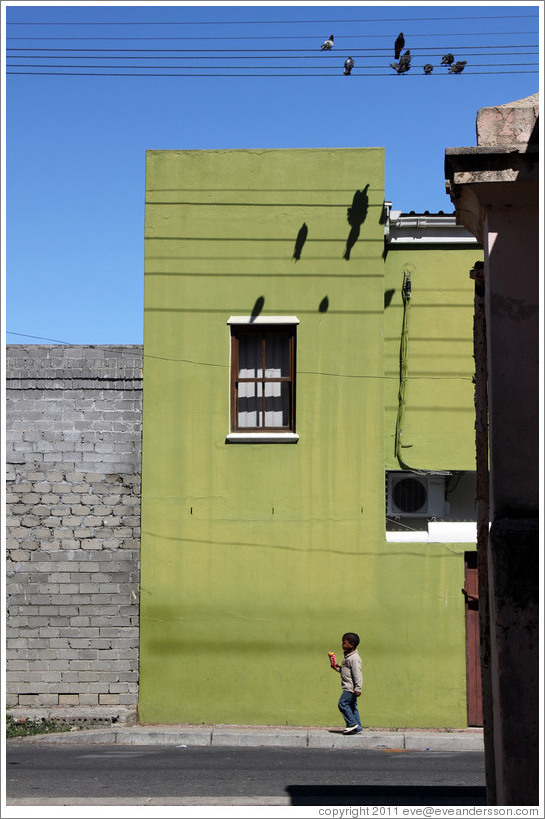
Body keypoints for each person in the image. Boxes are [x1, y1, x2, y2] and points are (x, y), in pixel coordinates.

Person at [330, 632, 363, 734]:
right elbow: (346, 671)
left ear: (352, 645)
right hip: (348, 687)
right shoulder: (347, 657)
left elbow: (358, 674)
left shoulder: (354, 658)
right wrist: (337, 668)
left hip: (350, 688)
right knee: (352, 707)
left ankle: (352, 724)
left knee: (342, 704)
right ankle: (358, 727)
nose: (342, 645)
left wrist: (358, 688)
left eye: (344, 643)